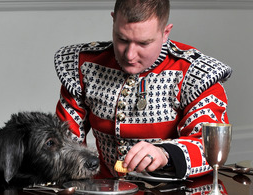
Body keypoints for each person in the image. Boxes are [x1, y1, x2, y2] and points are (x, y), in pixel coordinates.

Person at [54, 0, 232, 179]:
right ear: (113, 20)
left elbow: (210, 148)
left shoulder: (196, 74)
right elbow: (65, 140)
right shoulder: (84, 66)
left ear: (165, 33)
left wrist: (165, 154)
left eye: (144, 43)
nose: (130, 55)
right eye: (122, 39)